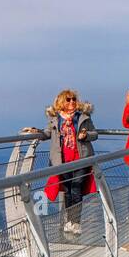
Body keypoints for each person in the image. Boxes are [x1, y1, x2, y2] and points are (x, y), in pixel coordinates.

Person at [42, 88, 97, 238]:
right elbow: (47, 133)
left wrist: (86, 135)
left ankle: (76, 222)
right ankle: (69, 221)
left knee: (77, 188)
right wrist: (35, 133)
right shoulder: (56, 119)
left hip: (81, 159)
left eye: (73, 99)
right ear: (61, 102)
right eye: (68, 99)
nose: (72, 102)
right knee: (67, 191)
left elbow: (94, 134)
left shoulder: (83, 117)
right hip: (62, 161)